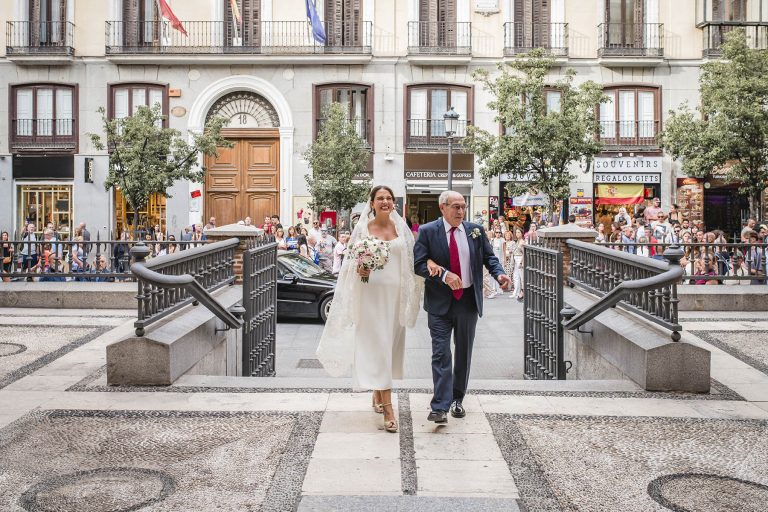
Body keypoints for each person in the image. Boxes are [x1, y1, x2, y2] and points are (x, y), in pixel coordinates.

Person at [317, 185, 423, 434]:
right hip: (370, 297)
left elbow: (409, 264)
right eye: (380, 198)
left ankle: (377, 393)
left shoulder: (401, 229)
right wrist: (360, 269)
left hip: (394, 297)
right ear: (372, 203)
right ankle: (388, 408)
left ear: (393, 203)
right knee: (377, 346)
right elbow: (351, 264)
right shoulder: (363, 229)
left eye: (389, 198)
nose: (385, 202)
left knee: (387, 346)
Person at [413, 190, 511, 424]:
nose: (460, 211)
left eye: (463, 206)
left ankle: (458, 399)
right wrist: (444, 275)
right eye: (455, 206)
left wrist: (499, 274)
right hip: (439, 303)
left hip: (467, 301)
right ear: (442, 208)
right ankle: (439, 406)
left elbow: (490, 258)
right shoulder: (428, 232)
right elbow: (418, 264)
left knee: (463, 353)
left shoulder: (475, 231)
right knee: (441, 353)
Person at [510, 227, 525, 302]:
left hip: (520, 259)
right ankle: (516, 292)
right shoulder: (516, 241)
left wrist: (522, 262)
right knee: (515, 276)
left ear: (522, 233)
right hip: (515, 259)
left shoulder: (522, 242)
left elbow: (524, 253)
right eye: (516, 232)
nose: (517, 234)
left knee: (521, 277)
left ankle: (522, 292)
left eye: (519, 232)